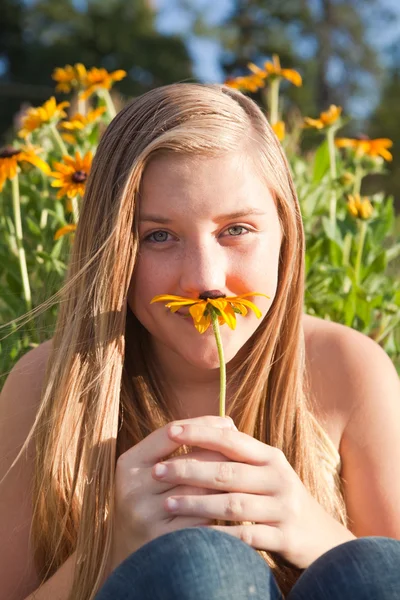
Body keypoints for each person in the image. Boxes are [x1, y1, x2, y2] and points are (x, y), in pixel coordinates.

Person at [1, 82, 400, 600]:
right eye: (158, 236)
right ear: (113, 249)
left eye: (236, 229)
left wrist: (316, 535)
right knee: (200, 566)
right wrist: (108, 556)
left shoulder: (348, 368)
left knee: (373, 566)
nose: (204, 280)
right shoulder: (46, 387)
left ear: (287, 233)